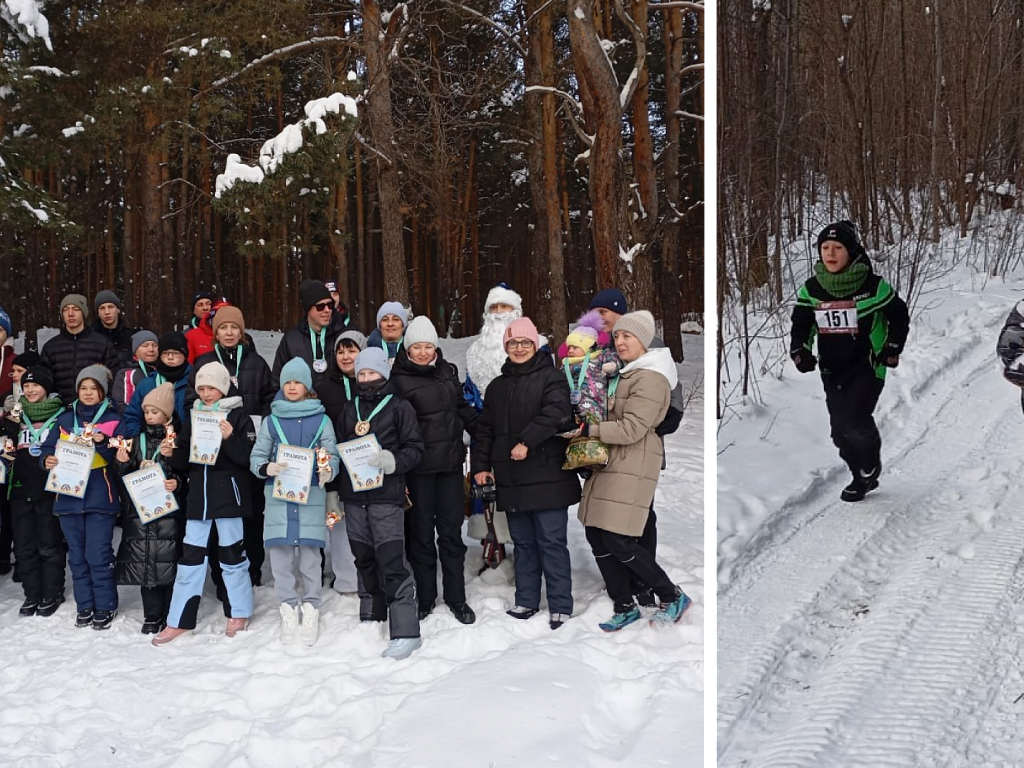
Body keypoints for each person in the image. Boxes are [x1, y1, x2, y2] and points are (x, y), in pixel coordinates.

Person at [576, 311, 692, 631]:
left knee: (618, 538)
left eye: (628, 336)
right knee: (596, 533)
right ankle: (624, 605)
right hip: (614, 462)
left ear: (643, 341)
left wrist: (591, 429)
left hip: (633, 461)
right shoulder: (627, 373)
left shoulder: (651, 377)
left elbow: (632, 429)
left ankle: (671, 594)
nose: (620, 341)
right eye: (617, 336)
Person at [470, 317, 579, 630]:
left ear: (535, 345)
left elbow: (557, 412)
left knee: (551, 542)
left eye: (525, 343)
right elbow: (486, 430)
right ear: (506, 347)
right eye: (513, 343)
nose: (519, 348)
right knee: (524, 543)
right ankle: (527, 599)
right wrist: (480, 467)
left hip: (547, 476)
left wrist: (526, 441)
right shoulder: (497, 386)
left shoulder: (551, 378)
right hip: (512, 480)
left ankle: (560, 604)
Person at [790, 220, 910, 502]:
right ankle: (860, 474)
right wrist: (800, 351)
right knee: (839, 432)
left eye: (838, 248)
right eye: (825, 248)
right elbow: (801, 323)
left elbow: (898, 315)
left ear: (851, 251)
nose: (830, 254)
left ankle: (869, 466)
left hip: (868, 365)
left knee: (856, 420)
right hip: (832, 368)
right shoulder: (812, 290)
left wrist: (892, 346)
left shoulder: (873, 287)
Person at [153, 362, 256, 645]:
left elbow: (248, 458)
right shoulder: (194, 415)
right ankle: (179, 620)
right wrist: (171, 454)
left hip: (229, 498)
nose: (207, 393)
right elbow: (187, 459)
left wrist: (229, 438)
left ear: (223, 388)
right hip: (199, 499)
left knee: (233, 557)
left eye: (212, 387)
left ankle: (239, 611)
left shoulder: (239, 416)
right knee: (190, 560)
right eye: (202, 388)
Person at [336, 347, 424, 659]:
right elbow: (339, 448)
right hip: (354, 496)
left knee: (391, 560)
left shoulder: (399, 407)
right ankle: (371, 614)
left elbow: (415, 448)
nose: (367, 378)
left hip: (387, 496)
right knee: (363, 557)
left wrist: (393, 460)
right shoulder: (350, 408)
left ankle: (405, 631)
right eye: (362, 374)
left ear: (383, 375)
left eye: (372, 373)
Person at [390, 316, 479, 623]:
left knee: (452, 535)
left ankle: (457, 598)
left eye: (429, 346)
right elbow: (394, 427)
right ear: (407, 348)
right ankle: (426, 597)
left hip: (451, 467)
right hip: (420, 471)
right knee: (422, 536)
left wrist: (485, 428)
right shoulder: (398, 380)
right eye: (417, 347)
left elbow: (461, 408)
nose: (424, 352)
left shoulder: (447, 372)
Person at [250, 358, 340, 646]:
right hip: (278, 496)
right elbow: (257, 456)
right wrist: (266, 468)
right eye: (288, 382)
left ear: (307, 387)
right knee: (281, 553)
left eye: (297, 382)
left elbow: (332, 453)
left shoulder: (322, 419)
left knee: (311, 555)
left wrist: (328, 470)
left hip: (311, 494)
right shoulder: (271, 420)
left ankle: (311, 605)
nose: (292, 387)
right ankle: (288, 605)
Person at [190, 305, 274, 587]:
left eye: (234, 328)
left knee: (251, 511)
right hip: (212, 452)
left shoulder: (256, 362)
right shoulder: (203, 362)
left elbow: (269, 396)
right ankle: (219, 571)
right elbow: (193, 399)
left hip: (248, 444)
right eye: (223, 328)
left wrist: (259, 421)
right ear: (216, 333)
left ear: (242, 332)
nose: (229, 333)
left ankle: (252, 567)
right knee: (216, 515)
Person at [40, 365, 122, 629]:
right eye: (83, 388)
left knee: (98, 554)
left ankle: (105, 605)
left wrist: (104, 441)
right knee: (76, 556)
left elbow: (121, 453)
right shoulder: (65, 419)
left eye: (94, 389)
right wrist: (46, 459)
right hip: (68, 496)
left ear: (103, 391)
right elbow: (48, 446)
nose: (88, 393)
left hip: (100, 496)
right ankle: (84, 605)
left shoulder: (113, 418)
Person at [114, 383, 186, 634]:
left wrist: (176, 481)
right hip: (140, 513)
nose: (150, 416)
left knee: (167, 561)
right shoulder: (136, 441)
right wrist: (122, 464)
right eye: (146, 412)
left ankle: (168, 613)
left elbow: (185, 472)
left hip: (168, 514)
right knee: (145, 564)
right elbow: (125, 478)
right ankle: (151, 615)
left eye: (155, 411)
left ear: (167, 414)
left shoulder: (175, 440)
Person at [1, 366, 65, 616]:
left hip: (49, 489)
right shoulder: (15, 417)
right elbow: (7, 447)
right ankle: (32, 594)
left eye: (35, 385)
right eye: (26, 386)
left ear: (46, 388)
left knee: (49, 544)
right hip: (19, 489)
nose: (30, 390)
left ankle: (52, 592)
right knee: (24, 546)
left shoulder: (61, 416)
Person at [316, 329, 366, 594]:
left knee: (370, 523)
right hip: (335, 467)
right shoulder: (324, 387)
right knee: (339, 523)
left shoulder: (373, 381)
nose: (346, 356)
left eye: (352, 350)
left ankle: (372, 576)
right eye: (340, 351)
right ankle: (346, 580)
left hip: (367, 466)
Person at [40, 293, 121, 403]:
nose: (70, 314)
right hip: (61, 410)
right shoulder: (51, 347)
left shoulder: (102, 343)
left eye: (76, 309)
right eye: (65, 309)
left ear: (83, 313)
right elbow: (44, 382)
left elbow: (114, 379)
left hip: (95, 410)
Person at [272, 280, 344, 391]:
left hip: (339, 407)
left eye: (330, 305)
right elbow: (277, 383)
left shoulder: (344, 335)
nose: (327, 310)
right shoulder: (291, 340)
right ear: (308, 309)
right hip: (303, 407)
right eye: (320, 306)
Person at [120, 332, 194, 438]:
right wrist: (137, 441)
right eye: (166, 353)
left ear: (185, 355)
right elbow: (133, 416)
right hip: (152, 446)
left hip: (186, 445)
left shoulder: (195, 382)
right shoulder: (147, 384)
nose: (170, 357)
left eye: (176, 353)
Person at [111, 330, 159, 413]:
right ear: (135, 351)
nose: (151, 349)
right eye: (145, 345)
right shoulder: (126, 374)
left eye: (154, 345)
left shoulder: (164, 372)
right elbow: (120, 405)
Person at [93, 289, 139, 369]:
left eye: (110, 307)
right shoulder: (91, 338)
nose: (107, 312)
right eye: (102, 308)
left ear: (118, 309)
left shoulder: (131, 338)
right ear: (98, 313)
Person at [185, 297, 228, 364]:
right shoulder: (191, 335)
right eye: (200, 305)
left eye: (208, 304)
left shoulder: (237, 336)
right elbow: (187, 367)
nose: (205, 308)